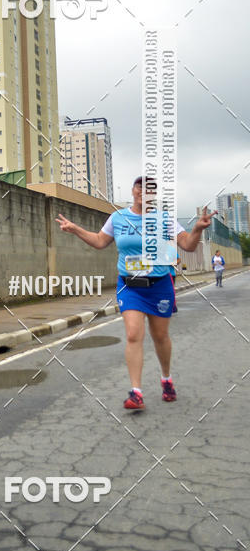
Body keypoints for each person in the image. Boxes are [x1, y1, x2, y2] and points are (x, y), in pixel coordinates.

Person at [56, 176, 216, 411]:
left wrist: (198, 229)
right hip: (129, 286)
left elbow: (188, 245)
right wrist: (75, 229)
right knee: (133, 334)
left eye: (150, 189)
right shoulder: (117, 218)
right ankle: (136, 392)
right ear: (133, 190)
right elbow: (101, 241)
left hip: (159, 285)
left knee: (160, 337)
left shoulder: (165, 219)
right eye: (140, 187)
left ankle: (166, 378)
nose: (144, 191)